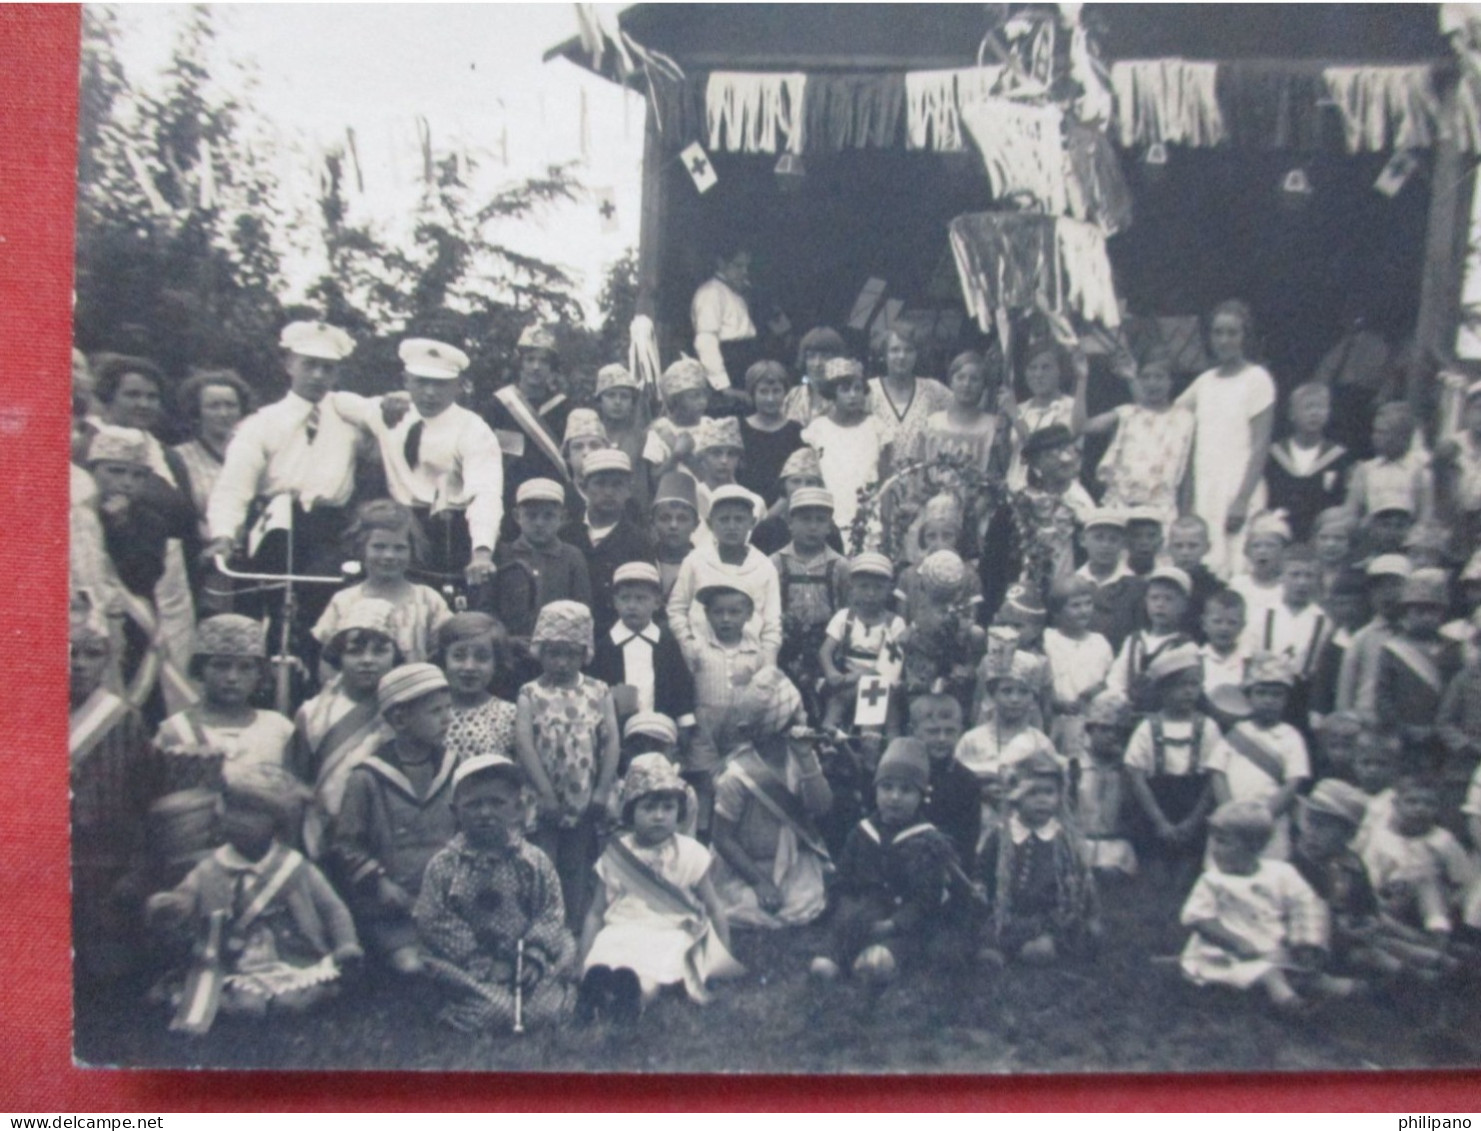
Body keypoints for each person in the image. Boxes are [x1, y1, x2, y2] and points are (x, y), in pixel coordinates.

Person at [145, 762, 361, 1029]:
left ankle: (325, 990)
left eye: (250, 812)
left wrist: (346, 944)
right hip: (237, 961)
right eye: (231, 807)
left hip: (295, 958)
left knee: (290, 1006)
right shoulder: (212, 867)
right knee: (248, 1009)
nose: (236, 818)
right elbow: (188, 894)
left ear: (277, 821)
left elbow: (333, 909)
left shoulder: (295, 867)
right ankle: (197, 996)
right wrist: (174, 903)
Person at [205, 321, 368, 618]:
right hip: (274, 528)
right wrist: (224, 535)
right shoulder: (260, 424)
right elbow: (233, 488)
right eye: (310, 365)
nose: (318, 375)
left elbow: (390, 427)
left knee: (325, 616)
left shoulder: (351, 420)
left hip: (328, 531)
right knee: (264, 613)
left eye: (327, 368)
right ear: (290, 365)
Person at [414, 754, 578, 1032]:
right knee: (497, 1013)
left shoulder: (532, 860)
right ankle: (457, 1006)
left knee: (543, 1013)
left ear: (517, 808)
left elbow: (550, 911)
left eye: (496, 803)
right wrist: (484, 964)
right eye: (474, 805)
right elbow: (436, 920)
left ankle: (548, 993)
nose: (486, 813)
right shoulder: (445, 866)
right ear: (455, 812)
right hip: (467, 963)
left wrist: (533, 957)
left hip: (524, 957)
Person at [578, 754, 742, 1022]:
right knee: (605, 954)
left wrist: (719, 958)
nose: (659, 816)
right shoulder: (617, 854)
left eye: (667, 808)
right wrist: (582, 959)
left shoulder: (690, 852)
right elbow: (596, 912)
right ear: (631, 811)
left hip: (671, 930)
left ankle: (633, 999)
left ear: (679, 812)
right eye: (649, 807)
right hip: (622, 928)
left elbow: (713, 908)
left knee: (651, 976)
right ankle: (598, 986)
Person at [330, 663, 460, 975]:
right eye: (435, 712)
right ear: (400, 719)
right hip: (392, 906)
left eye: (448, 708)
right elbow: (346, 844)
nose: (447, 719)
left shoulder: (454, 768)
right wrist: (379, 882)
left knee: (464, 957)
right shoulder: (367, 777)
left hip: (448, 901)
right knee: (411, 967)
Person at [810, 738, 963, 985]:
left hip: (899, 925)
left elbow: (926, 900)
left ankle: (883, 959)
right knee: (822, 968)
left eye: (906, 790)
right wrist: (848, 912)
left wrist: (893, 924)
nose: (894, 797)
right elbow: (842, 881)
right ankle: (841, 955)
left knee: (873, 967)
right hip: (860, 917)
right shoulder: (862, 832)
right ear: (876, 790)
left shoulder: (926, 840)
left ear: (922, 796)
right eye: (887, 787)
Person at [514, 601, 620, 927]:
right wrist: (545, 793)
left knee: (576, 864)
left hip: (584, 795)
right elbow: (524, 744)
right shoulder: (530, 693)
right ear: (540, 651)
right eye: (553, 653)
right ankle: (542, 928)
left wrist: (602, 790)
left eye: (571, 654)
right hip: (543, 794)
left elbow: (612, 741)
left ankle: (572, 929)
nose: (561, 663)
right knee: (542, 863)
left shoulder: (598, 691)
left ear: (585, 653)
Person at [362, 338, 503, 583]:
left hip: (450, 531)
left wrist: (481, 552)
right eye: (421, 382)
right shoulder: (389, 411)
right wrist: (389, 399)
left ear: (458, 386)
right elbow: (337, 402)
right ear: (406, 380)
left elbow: (485, 494)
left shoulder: (473, 430)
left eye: (440, 384)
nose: (430, 392)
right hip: (397, 528)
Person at [69, 590, 156, 982]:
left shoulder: (122, 719)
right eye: (68, 652)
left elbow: (140, 796)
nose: (79, 664)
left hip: (102, 857)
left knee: (109, 974)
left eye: (92, 654)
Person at [84, 426, 199, 722]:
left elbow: (144, 577)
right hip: (81, 618)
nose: (126, 483)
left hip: (130, 625)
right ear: (93, 470)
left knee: (136, 704)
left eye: (137, 476)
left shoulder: (150, 521)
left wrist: (121, 526)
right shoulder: (74, 514)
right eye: (116, 471)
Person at [1178, 800, 1334, 1013]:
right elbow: (1198, 919)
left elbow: (1306, 903)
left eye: (1223, 842)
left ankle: (1366, 991)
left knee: (1309, 975)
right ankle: (1293, 1007)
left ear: (1254, 846)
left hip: (1271, 949)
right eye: (1213, 840)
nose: (1214, 848)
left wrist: (1306, 942)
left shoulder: (1281, 873)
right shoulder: (1213, 881)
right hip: (1223, 955)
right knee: (1269, 974)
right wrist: (1236, 942)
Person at [710, 668, 834, 928]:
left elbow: (822, 808)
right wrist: (758, 881)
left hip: (792, 863)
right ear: (781, 725)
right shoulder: (737, 774)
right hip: (746, 867)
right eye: (799, 713)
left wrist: (808, 762)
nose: (806, 717)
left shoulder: (800, 757)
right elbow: (722, 838)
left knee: (800, 904)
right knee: (748, 907)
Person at [288, 600, 398, 859]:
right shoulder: (312, 713)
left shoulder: (402, 710)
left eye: (380, 651)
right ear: (338, 656)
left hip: (387, 835)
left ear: (396, 655)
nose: (368, 660)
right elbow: (297, 781)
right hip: (322, 834)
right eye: (355, 652)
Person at [1176, 300, 1276, 579]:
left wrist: (1242, 500)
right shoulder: (1205, 382)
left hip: (1239, 486)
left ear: (1245, 336)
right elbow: (1167, 415)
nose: (1224, 340)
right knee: (1206, 564)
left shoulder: (1257, 379)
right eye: (1218, 333)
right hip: (1207, 487)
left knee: (1238, 565)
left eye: (1232, 333)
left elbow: (1260, 444)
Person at [975, 749, 1100, 966]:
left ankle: (1031, 951)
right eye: (1033, 793)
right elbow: (983, 867)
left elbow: (1080, 881)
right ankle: (997, 950)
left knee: (1042, 949)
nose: (1042, 800)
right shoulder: (1002, 834)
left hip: (1048, 918)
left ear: (1059, 795)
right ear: (1016, 797)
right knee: (990, 940)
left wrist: (1087, 914)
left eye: (1049, 792)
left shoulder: (1063, 838)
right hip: (1007, 914)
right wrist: (979, 885)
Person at [153, 615, 294, 808]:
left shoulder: (279, 727)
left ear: (260, 673)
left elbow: (294, 798)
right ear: (200, 669)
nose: (232, 677)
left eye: (245, 667)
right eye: (221, 665)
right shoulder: (174, 729)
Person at [312, 500, 452, 667]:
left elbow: (445, 654)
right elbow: (328, 663)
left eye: (399, 548)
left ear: (412, 551)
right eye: (379, 547)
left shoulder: (429, 600)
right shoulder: (344, 601)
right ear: (362, 548)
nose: (389, 555)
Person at [1123, 643, 1220, 878]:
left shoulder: (1207, 727)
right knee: (1154, 873)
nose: (1189, 692)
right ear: (1163, 691)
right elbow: (1135, 774)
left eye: (1194, 684)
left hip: (1194, 806)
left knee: (1188, 873)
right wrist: (1159, 821)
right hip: (1156, 805)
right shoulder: (1148, 727)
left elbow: (1213, 777)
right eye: (1181, 685)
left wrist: (1194, 820)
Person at [1208, 652, 1311, 860]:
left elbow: (1293, 782)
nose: (1268, 700)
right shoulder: (1236, 732)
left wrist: (1263, 818)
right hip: (1231, 821)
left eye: (1276, 695)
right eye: (1261, 693)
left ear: (1286, 698)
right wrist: (1230, 811)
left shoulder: (1291, 737)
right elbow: (1217, 772)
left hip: (1268, 823)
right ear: (1248, 696)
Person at [666, 484, 783, 666]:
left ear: (752, 522)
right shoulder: (696, 561)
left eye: (739, 519)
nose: (731, 526)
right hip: (701, 660)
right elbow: (676, 609)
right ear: (710, 523)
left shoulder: (764, 566)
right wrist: (687, 643)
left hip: (750, 662)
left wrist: (768, 664)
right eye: (724, 519)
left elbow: (772, 624)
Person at [1085, 347, 1194, 529]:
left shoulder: (1185, 420)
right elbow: (1083, 426)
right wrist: (1082, 379)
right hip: (1122, 507)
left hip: (1162, 510)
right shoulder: (1127, 413)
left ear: (1171, 381)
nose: (1152, 383)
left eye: (1159, 377)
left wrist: (1184, 516)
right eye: (1146, 377)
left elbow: (1187, 474)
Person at [482, 323, 573, 536]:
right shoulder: (497, 406)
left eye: (543, 361)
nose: (536, 367)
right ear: (520, 364)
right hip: (510, 501)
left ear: (552, 368)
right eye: (530, 359)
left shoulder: (564, 408)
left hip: (552, 501)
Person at [770, 486, 850, 724]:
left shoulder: (840, 566)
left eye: (820, 520)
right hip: (787, 650)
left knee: (828, 705)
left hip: (827, 650)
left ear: (829, 526)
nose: (813, 527)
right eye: (805, 519)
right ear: (790, 523)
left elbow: (847, 610)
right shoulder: (775, 563)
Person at [588, 561, 696, 733]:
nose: (632, 606)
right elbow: (594, 688)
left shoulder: (666, 643)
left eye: (641, 598)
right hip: (616, 732)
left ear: (657, 602)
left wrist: (685, 723)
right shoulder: (606, 646)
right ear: (615, 602)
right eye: (625, 598)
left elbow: (680, 684)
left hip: (661, 728)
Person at [560, 449, 656, 636]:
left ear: (629, 489)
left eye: (617, 485)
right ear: (584, 487)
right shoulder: (566, 535)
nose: (609, 492)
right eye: (600, 484)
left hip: (617, 637)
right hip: (570, 635)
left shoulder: (639, 541)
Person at [491, 478, 592, 649]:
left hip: (557, 654)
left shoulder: (572, 557)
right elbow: (487, 611)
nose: (539, 523)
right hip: (508, 654)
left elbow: (582, 610)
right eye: (531, 515)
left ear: (562, 517)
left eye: (548, 516)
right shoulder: (501, 555)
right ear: (517, 516)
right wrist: (506, 640)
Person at [1373, 568, 1464, 756]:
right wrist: (1402, 728)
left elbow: (1458, 694)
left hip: (1441, 739)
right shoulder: (1392, 649)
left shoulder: (1452, 649)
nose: (1426, 617)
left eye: (1433, 611)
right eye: (1419, 611)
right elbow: (1383, 696)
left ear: (1443, 613)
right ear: (1406, 612)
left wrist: (1440, 730)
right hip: (1401, 737)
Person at [818, 552, 907, 734]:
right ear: (852, 587)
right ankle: (829, 738)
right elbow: (825, 651)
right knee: (836, 701)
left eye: (878, 587)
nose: (870, 594)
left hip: (881, 682)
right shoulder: (845, 617)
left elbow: (890, 667)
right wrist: (831, 672)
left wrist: (862, 676)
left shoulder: (894, 624)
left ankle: (874, 749)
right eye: (864, 586)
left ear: (889, 589)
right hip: (846, 680)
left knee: (879, 708)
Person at [802, 357, 888, 538]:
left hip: (869, 518)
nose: (853, 395)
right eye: (845, 389)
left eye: (858, 389)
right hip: (831, 515)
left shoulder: (876, 427)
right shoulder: (818, 429)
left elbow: (886, 479)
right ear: (833, 394)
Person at [171, 367, 254, 545]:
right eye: (213, 406)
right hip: (205, 551)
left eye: (230, 405)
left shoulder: (255, 452)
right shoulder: (180, 457)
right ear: (197, 411)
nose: (223, 413)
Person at [1265, 383, 1353, 544]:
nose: (1315, 413)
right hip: (1280, 530)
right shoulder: (1274, 454)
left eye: (1321, 407)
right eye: (1308, 407)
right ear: (1292, 414)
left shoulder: (1338, 456)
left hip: (1322, 535)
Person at [1042, 574, 1113, 765]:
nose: (1084, 611)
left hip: (1090, 723)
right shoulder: (1048, 640)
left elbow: (1109, 680)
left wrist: (1095, 691)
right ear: (1057, 612)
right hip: (1056, 720)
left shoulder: (1100, 643)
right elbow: (1041, 682)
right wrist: (1056, 702)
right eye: (1075, 606)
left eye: (1088, 604)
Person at [1003, 334, 1088, 493]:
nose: (1038, 374)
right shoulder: (1020, 408)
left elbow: (1039, 448)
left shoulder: (1069, 407)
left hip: (1054, 494)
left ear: (1060, 371)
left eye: (1046, 367)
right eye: (1032, 368)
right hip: (1016, 490)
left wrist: (1014, 416)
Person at [1105, 565, 1193, 713]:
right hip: (1129, 714)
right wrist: (1121, 700)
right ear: (1146, 601)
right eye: (1154, 598)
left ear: (1183, 605)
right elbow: (1116, 679)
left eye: (1169, 599)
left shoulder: (1185, 647)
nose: (1160, 604)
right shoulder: (1134, 641)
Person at [909, 693, 982, 867]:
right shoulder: (903, 772)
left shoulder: (967, 782)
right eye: (933, 731)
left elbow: (967, 842)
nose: (942, 739)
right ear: (913, 731)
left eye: (950, 731)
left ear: (961, 732)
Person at [439, 612, 518, 763]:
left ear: (496, 663)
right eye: (459, 656)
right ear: (444, 659)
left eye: (482, 657)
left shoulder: (509, 715)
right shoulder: (432, 712)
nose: (469, 667)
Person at [866, 324, 953, 460]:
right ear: (884, 355)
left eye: (909, 350)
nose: (901, 356)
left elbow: (964, 411)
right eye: (894, 350)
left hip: (923, 478)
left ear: (917, 354)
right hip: (880, 478)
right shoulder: (869, 391)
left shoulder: (933, 390)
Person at [1076, 690, 1137, 879]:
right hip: (1079, 845)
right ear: (1090, 729)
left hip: (1118, 850)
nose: (1112, 736)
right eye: (1104, 729)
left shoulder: (1129, 771)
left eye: (1119, 731)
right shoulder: (1074, 766)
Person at [1345, 402, 1434, 526]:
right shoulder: (1365, 470)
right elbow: (1351, 512)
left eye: (1382, 433)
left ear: (1401, 436)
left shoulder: (1418, 472)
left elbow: (1425, 515)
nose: (1375, 437)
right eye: (1375, 432)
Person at [691, 244, 759, 393]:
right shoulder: (710, 293)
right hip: (729, 367)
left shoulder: (740, 291)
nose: (744, 272)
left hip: (747, 364)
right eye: (738, 266)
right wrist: (723, 385)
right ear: (721, 263)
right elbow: (706, 342)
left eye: (747, 267)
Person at [1074, 508, 1143, 653]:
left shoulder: (1136, 587)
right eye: (1098, 537)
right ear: (1082, 540)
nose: (1105, 545)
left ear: (1123, 544)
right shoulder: (1070, 583)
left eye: (1113, 539)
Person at [593, 363, 658, 513]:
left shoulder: (644, 438)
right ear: (599, 401)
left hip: (634, 514)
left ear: (632, 403)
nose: (617, 402)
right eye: (611, 395)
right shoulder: (591, 437)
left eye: (624, 396)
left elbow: (653, 482)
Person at [737, 359, 804, 505]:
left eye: (776, 391)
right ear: (752, 393)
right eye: (763, 392)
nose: (770, 398)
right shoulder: (739, 429)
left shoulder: (795, 431)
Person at [650, 472, 701, 613]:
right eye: (665, 518)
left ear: (696, 524)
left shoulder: (702, 564)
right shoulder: (645, 559)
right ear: (653, 522)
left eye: (682, 519)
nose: (673, 525)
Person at [783, 325, 845, 426]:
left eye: (825, 356)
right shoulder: (793, 396)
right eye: (811, 357)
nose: (817, 363)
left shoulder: (846, 397)